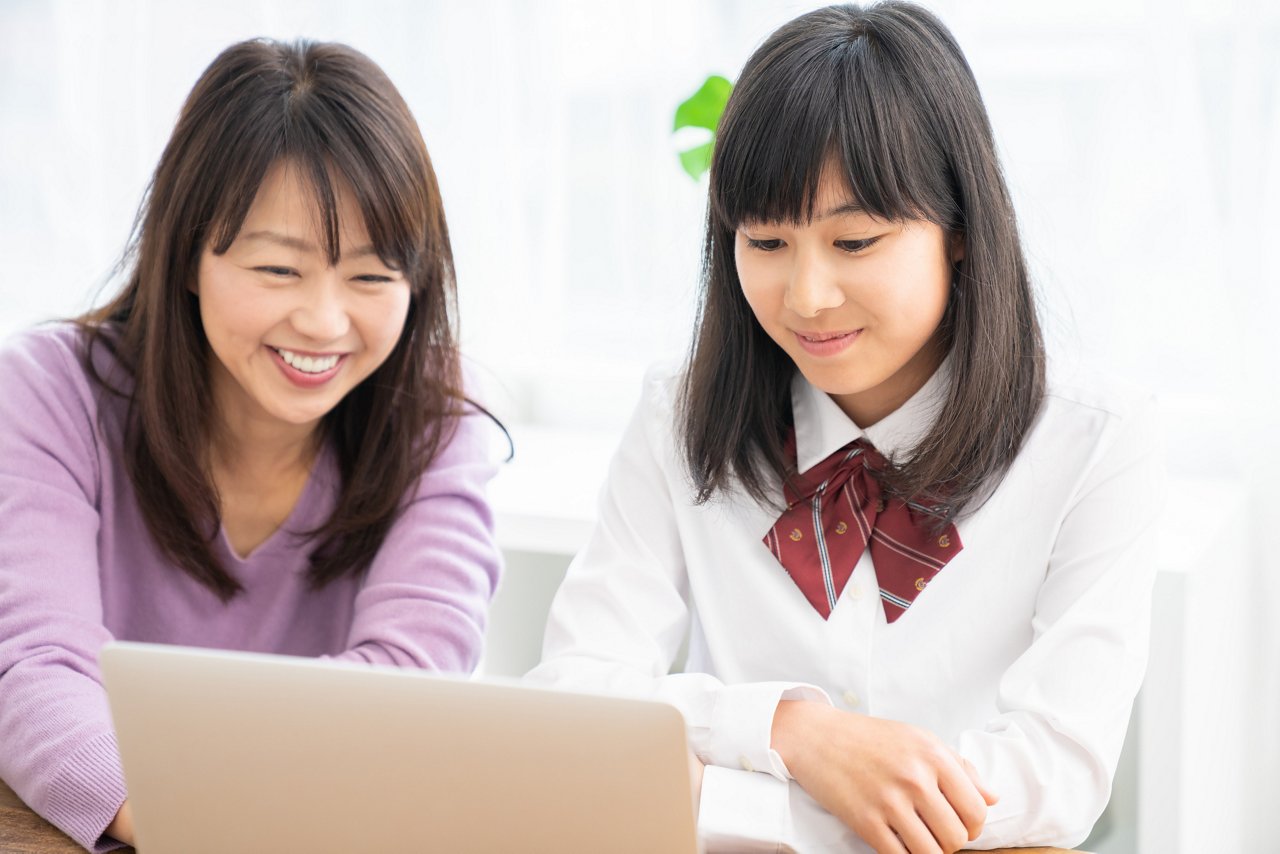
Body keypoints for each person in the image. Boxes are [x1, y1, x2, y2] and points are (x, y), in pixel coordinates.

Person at [527, 3, 1165, 852]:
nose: (807, 297)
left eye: (855, 242)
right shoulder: (679, 415)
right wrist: (791, 731)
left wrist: (719, 793)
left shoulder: (1093, 441)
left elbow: (1055, 776)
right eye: (766, 242)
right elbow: (574, 696)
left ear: (960, 231)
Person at [0, 39, 503, 852]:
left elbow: (411, 686)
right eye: (277, 270)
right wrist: (191, 820)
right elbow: (34, 669)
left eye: (372, 277)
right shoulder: (49, 391)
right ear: (186, 256)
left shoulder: (433, 422)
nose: (324, 322)